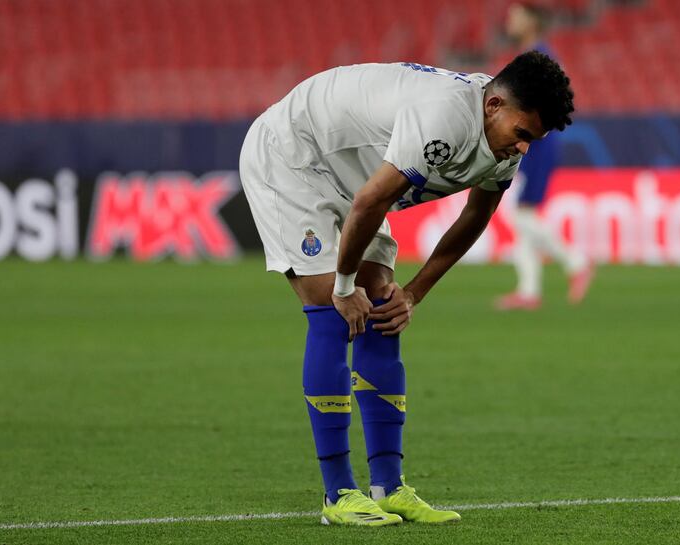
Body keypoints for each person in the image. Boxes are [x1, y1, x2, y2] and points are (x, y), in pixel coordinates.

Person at [239, 52, 575, 526]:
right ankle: (338, 493)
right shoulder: (444, 117)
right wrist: (342, 284)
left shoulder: (501, 141)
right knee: (333, 310)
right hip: (294, 153)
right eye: (522, 135)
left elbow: (475, 217)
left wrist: (413, 292)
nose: (523, 151)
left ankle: (389, 487)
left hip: (354, 178)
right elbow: (371, 201)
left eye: (533, 142)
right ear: (494, 105)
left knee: (383, 308)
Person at [495, 2, 592, 311]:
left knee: (521, 213)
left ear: (532, 21)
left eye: (516, 15)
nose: (509, 19)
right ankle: (529, 291)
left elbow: (554, 101)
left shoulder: (539, 56)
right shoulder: (534, 54)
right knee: (522, 213)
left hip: (539, 143)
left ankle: (576, 262)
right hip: (532, 141)